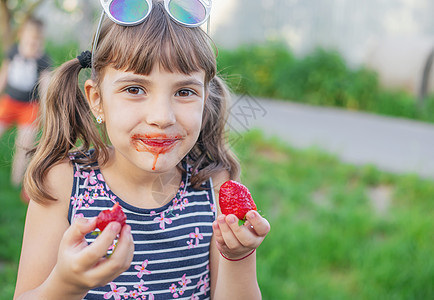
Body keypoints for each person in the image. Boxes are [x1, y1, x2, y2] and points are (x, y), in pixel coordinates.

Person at [14, 1, 270, 299]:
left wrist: (238, 256)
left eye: (184, 92)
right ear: (96, 100)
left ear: (205, 98)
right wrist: (66, 284)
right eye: (135, 89)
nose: (161, 117)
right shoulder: (64, 183)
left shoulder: (211, 183)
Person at [0, 16, 51, 187]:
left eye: (37, 39)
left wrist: (45, 110)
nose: (33, 42)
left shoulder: (43, 60)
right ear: (22, 35)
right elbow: (3, 76)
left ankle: (16, 182)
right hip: (8, 102)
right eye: (30, 38)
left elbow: (45, 87)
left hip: (30, 107)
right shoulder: (14, 52)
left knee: (24, 146)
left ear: (41, 40)